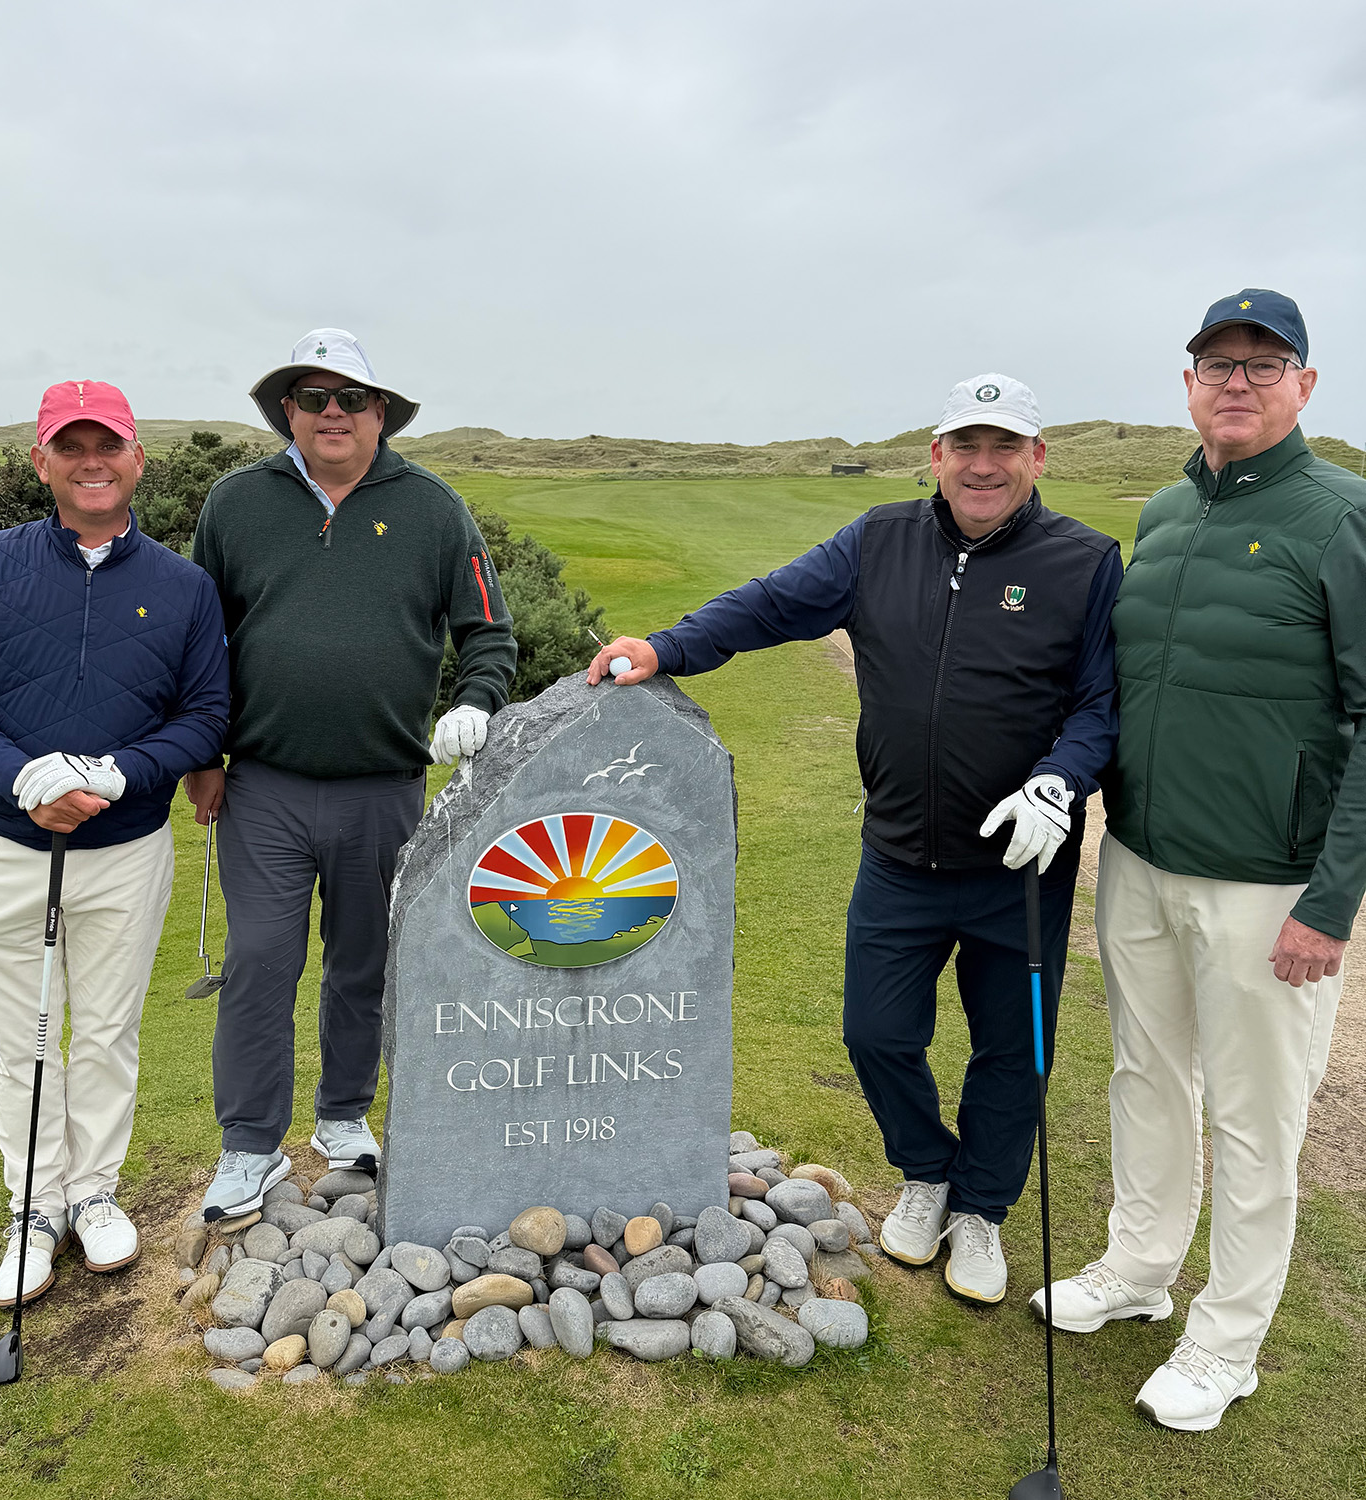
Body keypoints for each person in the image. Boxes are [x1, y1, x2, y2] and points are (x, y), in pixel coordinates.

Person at [589, 373, 1121, 1304]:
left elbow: (1101, 703)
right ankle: (926, 1173)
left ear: (1037, 459)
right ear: (938, 456)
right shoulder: (879, 541)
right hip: (902, 856)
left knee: (1016, 1050)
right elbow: (769, 604)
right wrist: (667, 647)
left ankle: (983, 1211)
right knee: (875, 1033)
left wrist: (1061, 780)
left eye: (1006, 448)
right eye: (967, 446)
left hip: (1023, 868)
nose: (984, 466)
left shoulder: (1086, 561)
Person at [1035, 290, 1366, 1431]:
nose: (1237, 380)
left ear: (1304, 387)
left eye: (1263, 364)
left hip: (1269, 883)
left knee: (1255, 1117)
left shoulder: (1341, 516)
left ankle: (1227, 1344)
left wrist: (1330, 903)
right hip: (1138, 857)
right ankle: (1138, 1271)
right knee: (1145, 1077)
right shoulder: (1163, 510)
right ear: (1187, 384)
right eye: (1217, 363)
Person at [186, 328, 517, 1221]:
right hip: (263, 784)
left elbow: (488, 630)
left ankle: (342, 1117)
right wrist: (200, 757)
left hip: (384, 786)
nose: (332, 413)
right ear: (287, 410)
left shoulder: (434, 508)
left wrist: (475, 699)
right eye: (313, 397)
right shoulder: (235, 503)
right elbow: (195, 641)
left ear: (380, 414)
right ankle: (249, 1147)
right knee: (260, 962)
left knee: (363, 962)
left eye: (351, 399)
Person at [0, 380, 229, 1306]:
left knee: (102, 1031)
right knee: (25, 1039)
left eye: (109, 446)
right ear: (41, 461)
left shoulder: (183, 584)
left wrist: (114, 775)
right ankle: (34, 1205)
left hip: (125, 848)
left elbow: (204, 714)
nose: (92, 462)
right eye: (71, 446)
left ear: (137, 459)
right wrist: (27, 775)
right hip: (3, 842)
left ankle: (93, 1192)